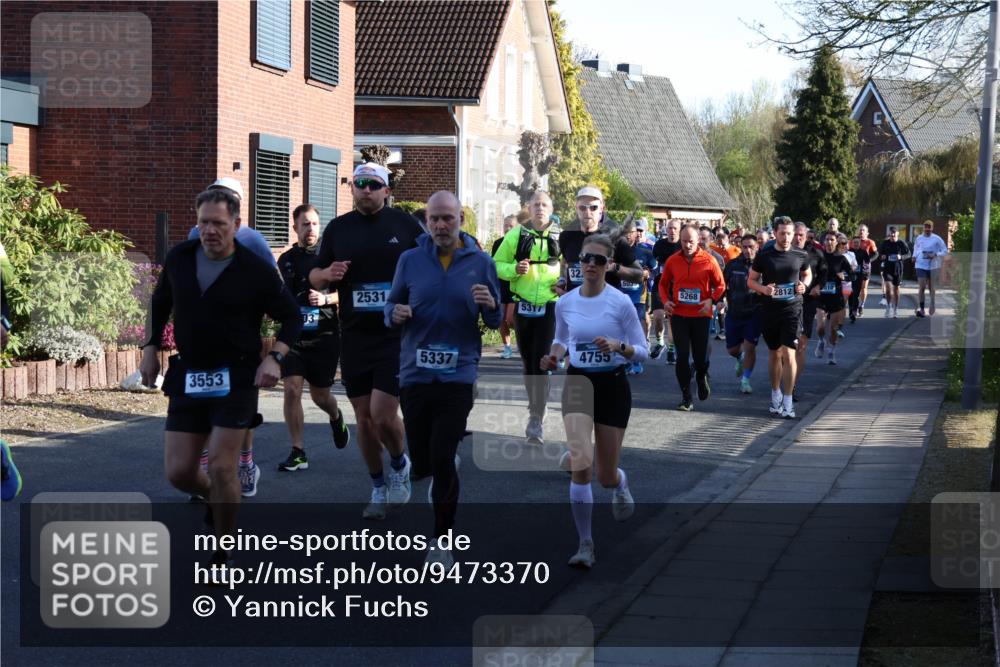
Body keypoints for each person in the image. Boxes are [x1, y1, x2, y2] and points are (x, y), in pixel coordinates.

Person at [141, 187, 301, 567]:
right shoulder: (180, 258)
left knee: (223, 465)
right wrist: (150, 348)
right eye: (203, 223)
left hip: (237, 376)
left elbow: (292, 316)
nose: (209, 231)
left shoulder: (255, 269)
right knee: (180, 473)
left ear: (237, 224)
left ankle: (222, 549)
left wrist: (275, 358)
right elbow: (160, 301)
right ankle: (218, 497)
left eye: (219, 223)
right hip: (190, 374)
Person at [386, 191, 501, 567]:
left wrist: (492, 306)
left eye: (447, 218)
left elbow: (497, 320)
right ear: (426, 221)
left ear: (460, 221)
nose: (440, 225)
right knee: (423, 461)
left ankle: (442, 540)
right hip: (415, 371)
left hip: (459, 371)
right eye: (434, 218)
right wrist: (396, 312)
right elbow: (389, 307)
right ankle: (434, 462)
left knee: (441, 456)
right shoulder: (410, 259)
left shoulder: (480, 262)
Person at [309, 162, 424, 520]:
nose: (367, 190)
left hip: (395, 336)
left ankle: (399, 463)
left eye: (374, 184)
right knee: (364, 418)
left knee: (382, 414)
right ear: (353, 189)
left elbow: (430, 266)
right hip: (355, 335)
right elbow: (314, 276)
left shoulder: (405, 226)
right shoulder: (338, 228)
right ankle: (377, 485)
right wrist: (326, 275)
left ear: (387, 191)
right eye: (360, 184)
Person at [540, 234, 647, 569]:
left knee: (604, 475)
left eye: (598, 260)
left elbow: (643, 350)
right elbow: (560, 339)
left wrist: (619, 347)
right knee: (582, 466)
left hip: (613, 385)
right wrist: (554, 357)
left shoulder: (621, 303)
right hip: (578, 382)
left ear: (608, 265)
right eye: (585, 258)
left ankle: (620, 483)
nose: (589, 264)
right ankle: (585, 544)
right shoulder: (566, 302)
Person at [187, 177, 273, 496]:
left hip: (243, 338)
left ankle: (246, 463)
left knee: (241, 409)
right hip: (206, 337)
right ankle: (208, 469)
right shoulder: (196, 235)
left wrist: (267, 327)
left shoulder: (254, 240)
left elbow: (273, 283)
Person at [276, 204, 350, 473]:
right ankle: (298, 451)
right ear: (295, 227)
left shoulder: (330, 258)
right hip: (294, 335)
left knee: (321, 396)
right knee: (292, 389)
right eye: (305, 224)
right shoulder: (285, 260)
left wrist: (326, 298)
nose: (310, 229)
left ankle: (335, 415)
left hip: (325, 335)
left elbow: (348, 293)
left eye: (315, 224)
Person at [492, 190, 562, 445]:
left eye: (544, 204)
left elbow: (569, 266)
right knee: (528, 362)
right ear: (529, 208)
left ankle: (536, 417)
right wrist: (514, 269)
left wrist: (563, 283)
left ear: (551, 207)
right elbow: (496, 264)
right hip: (523, 306)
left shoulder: (559, 235)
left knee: (541, 360)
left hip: (549, 305)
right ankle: (535, 405)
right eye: (536, 205)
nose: (540, 208)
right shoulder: (517, 234)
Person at [748, 218, 811, 419]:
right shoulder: (764, 255)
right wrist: (764, 289)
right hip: (770, 311)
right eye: (782, 233)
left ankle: (788, 400)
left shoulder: (800, 254)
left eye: (789, 234)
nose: (786, 237)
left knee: (789, 354)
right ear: (775, 233)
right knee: (774, 353)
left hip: (792, 310)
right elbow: (751, 280)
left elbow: (807, 274)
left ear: (794, 235)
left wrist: (804, 286)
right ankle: (775, 393)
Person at [658, 226, 726, 411]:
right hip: (679, 314)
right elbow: (662, 285)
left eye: (691, 241)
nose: (687, 245)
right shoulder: (673, 261)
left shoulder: (709, 260)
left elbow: (721, 286)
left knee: (700, 357)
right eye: (684, 241)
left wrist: (711, 300)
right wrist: (665, 302)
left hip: (701, 315)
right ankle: (686, 397)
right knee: (682, 357)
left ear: (699, 241)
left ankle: (701, 375)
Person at [792, 223, 827, 402]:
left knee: (801, 345)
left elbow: (824, 273)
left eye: (801, 235)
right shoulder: (783, 252)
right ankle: (783, 380)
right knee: (785, 348)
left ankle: (792, 386)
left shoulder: (815, 254)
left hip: (807, 302)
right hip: (786, 304)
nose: (798, 238)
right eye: (795, 234)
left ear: (806, 236)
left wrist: (818, 286)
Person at [724, 234, 761, 394]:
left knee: (750, 346)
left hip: (754, 313)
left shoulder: (763, 266)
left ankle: (746, 380)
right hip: (734, 312)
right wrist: (718, 300)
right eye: (744, 246)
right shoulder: (732, 265)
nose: (747, 250)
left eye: (751, 246)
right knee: (732, 350)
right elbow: (722, 285)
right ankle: (739, 358)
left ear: (757, 247)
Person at [618, 219, 656, 374]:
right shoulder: (616, 251)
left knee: (636, 327)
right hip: (620, 295)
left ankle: (637, 361)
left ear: (636, 234)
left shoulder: (645, 252)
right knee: (621, 329)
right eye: (625, 232)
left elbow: (654, 270)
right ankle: (626, 360)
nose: (628, 235)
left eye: (631, 232)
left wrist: (647, 273)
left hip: (638, 296)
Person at [814, 232, 854, 365]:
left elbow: (852, 276)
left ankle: (831, 351)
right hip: (821, 296)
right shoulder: (819, 257)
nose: (829, 242)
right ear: (823, 242)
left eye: (832, 240)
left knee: (833, 329)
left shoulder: (841, 259)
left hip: (836, 297)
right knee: (820, 326)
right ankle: (821, 340)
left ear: (836, 242)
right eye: (827, 239)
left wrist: (845, 277)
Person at [651, 219, 682, 363]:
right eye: (670, 228)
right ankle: (660, 342)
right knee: (657, 317)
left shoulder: (683, 245)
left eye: (675, 228)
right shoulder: (659, 245)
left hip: (676, 287)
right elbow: (653, 264)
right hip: (659, 284)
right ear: (666, 229)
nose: (672, 231)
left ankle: (671, 350)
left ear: (679, 230)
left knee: (671, 320)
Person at [492, 215, 519, 359]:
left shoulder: (521, 244)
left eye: (511, 226)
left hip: (516, 285)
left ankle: (524, 339)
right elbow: (494, 265)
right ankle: (507, 347)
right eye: (505, 225)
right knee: (501, 318)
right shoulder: (497, 244)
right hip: (501, 284)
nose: (507, 228)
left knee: (511, 319)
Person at [912, 220, 948, 317]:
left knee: (931, 288)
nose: (927, 229)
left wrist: (936, 254)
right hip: (920, 265)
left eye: (929, 227)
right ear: (923, 228)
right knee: (922, 287)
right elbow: (916, 248)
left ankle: (932, 305)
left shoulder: (937, 239)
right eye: (925, 227)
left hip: (933, 266)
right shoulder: (919, 238)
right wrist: (914, 256)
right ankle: (922, 309)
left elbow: (945, 251)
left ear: (932, 228)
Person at [878, 226, 909, 318]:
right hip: (888, 268)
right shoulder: (885, 243)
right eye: (891, 233)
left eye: (894, 233)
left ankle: (896, 308)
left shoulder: (901, 243)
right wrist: (882, 256)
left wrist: (901, 257)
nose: (892, 234)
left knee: (896, 289)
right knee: (888, 288)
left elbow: (909, 254)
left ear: (898, 233)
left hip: (898, 269)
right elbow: (880, 253)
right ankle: (888, 307)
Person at [851, 225, 878, 319]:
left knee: (863, 287)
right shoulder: (853, 241)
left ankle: (861, 305)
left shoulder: (870, 242)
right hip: (854, 268)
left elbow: (876, 254)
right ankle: (854, 306)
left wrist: (868, 260)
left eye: (863, 230)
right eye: (860, 230)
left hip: (865, 268)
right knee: (855, 289)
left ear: (867, 233)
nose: (861, 232)